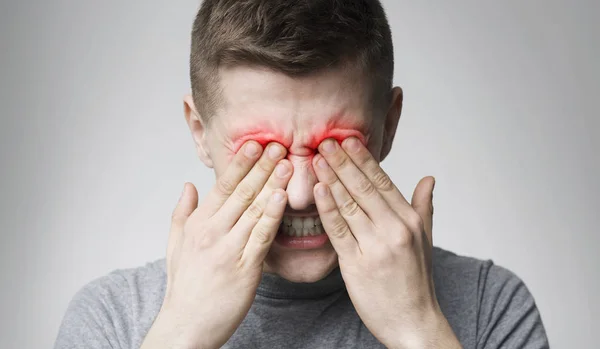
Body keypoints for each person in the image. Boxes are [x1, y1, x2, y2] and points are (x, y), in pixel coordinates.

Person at [54, 1, 549, 348]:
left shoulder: (490, 304)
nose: (299, 193)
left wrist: (418, 331)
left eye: (335, 146)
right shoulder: (111, 318)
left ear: (389, 123)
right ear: (200, 132)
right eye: (263, 151)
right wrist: (181, 335)